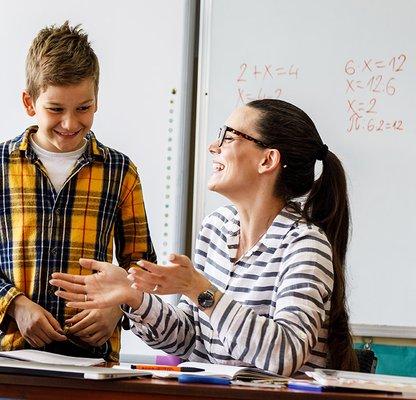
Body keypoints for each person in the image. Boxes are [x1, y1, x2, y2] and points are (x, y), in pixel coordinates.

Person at [51, 99, 358, 376]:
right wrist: (135, 298)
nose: (214, 146)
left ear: (268, 160)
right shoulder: (216, 228)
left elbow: (285, 354)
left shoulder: (305, 244)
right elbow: (190, 339)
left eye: (228, 137)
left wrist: (199, 289)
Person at [0, 21, 156, 361]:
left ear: (96, 100)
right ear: (29, 102)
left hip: (91, 359)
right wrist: (15, 305)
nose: (70, 123)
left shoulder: (120, 172)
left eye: (83, 108)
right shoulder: (0, 166)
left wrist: (118, 308)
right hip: (9, 358)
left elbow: (142, 265)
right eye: (55, 109)